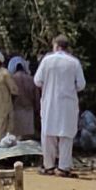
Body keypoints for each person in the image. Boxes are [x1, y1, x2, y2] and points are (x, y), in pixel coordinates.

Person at [33, 37, 86, 174]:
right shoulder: (74, 62)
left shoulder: (47, 60)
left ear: (56, 46)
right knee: (66, 135)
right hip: (68, 104)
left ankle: (49, 166)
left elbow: (37, 81)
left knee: (48, 135)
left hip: (49, 103)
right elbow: (81, 85)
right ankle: (63, 167)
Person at [6, 55, 39, 142]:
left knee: (14, 140)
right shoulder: (31, 79)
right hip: (29, 112)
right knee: (27, 141)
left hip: (15, 111)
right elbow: (37, 99)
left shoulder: (11, 79)